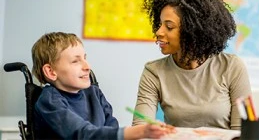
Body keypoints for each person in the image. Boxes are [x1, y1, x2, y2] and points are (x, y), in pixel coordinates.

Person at [132, 0, 251, 130]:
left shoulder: (232, 67)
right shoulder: (154, 72)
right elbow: (139, 130)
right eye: (159, 24)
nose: (159, 32)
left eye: (169, 27)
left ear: (192, 31)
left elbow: (243, 133)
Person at [32, 32, 172, 140]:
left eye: (85, 58)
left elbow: (111, 126)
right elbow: (82, 134)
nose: (87, 67)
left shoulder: (94, 93)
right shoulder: (49, 100)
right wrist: (140, 131)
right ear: (51, 71)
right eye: (75, 61)